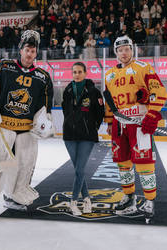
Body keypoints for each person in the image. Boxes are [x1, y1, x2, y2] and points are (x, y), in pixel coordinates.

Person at [0, 30, 54, 220]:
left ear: (36, 53)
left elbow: (45, 107)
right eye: (27, 49)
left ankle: (11, 195)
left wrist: (45, 122)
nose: (30, 54)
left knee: (19, 166)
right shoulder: (2, 67)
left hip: (24, 133)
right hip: (2, 130)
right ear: (21, 50)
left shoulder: (43, 77)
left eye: (33, 51)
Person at [104, 35, 167, 220]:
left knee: (144, 163)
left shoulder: (143, 67)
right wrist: (109, 122)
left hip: (139, 124)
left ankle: (149, 200)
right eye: (120, 50)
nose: (124, 53)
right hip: (119, 125)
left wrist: (152, 113)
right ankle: (128, 196)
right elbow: (109, 102)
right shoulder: (109, 75)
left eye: (127, 49)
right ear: (115, 53)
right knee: (123, 163)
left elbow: (159, 92)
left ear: (132, 50)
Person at [62, 62, 104, 215]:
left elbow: (100, 114)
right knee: (78, 170)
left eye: (80, 72)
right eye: (74, 72)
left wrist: (92, 128)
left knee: (80, 169)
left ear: (85, 73)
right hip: (69, 136)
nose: (77, 74)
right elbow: (65, 110)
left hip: (87, 136)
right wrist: (69, 124)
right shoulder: (67, 90)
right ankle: (87, 198)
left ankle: (73, 202)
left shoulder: (94, 91)